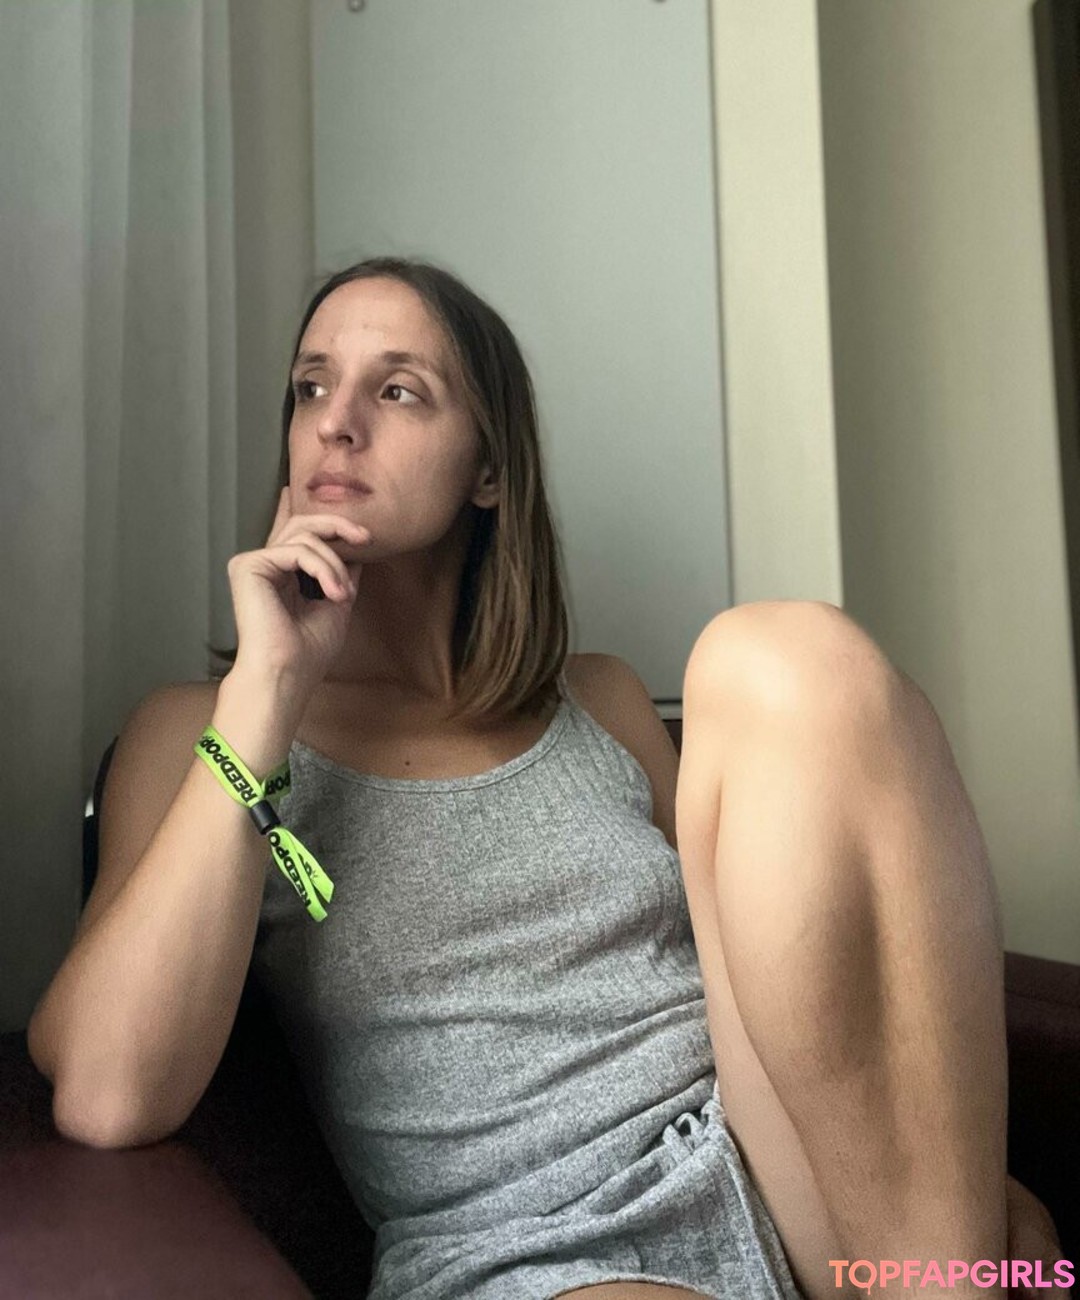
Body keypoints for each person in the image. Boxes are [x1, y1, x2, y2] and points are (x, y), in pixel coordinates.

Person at [28, 258, 1065, 1300]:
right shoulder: (199, 733)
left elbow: (786, 970)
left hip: (767, 1180)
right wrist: (268, 695)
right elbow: (108, 1094)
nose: (335, 423)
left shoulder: (601, 702)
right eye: (311, 386)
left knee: (784, 652)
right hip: (529, 1253)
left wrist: (944, 1194)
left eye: (398, 390)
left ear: (488, 467)